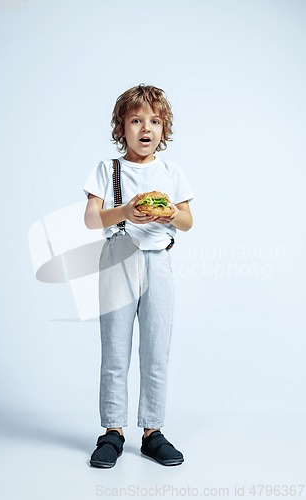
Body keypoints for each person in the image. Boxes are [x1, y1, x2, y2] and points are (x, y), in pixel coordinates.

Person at [83, 84, 194, 468]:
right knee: (115, 350)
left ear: (163, 130)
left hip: (158, 261)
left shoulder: (170, 171)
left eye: (154, 120)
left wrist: (168, 215)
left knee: (155, 349)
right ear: (121, 128)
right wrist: (126, 212)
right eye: (135, 120)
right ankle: (112, 431)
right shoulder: (108, 169)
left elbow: (188, 221)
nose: (145, 127)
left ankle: (152, 432)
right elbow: (91, 219)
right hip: (119, 257)